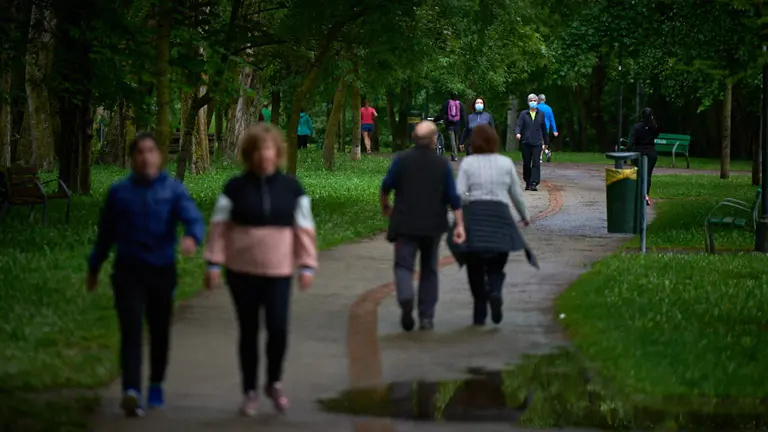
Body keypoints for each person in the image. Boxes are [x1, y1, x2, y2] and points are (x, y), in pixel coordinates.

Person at [87, 132, 205, 417]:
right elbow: (105, 235)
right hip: (128, 272)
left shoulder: (173, 190)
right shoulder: (119, 193)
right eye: (140, 152)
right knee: (131, 331)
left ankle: (155, 384)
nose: (146, 156)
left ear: (159, 156)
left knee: (160, 331)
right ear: (132, 158)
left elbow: (193, 218)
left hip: (161, 272)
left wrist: (192, 237)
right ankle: (131, 390)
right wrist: (94, 266)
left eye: (151, 150)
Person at [203, 123, 317, 417]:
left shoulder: (292, 188)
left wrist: (307, 265)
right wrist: (213, 261)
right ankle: (250, 391)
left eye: (268, 149)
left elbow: (304, 229)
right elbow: (219, 228)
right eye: (257, 150)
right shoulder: (234, 188)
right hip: (241, 272)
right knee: (249, 331)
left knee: (278, 329)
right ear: (249, 154)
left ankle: (273, 382)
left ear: (276, 153)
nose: (263, 156)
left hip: (278, 271)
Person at [380, 121, 465, 331]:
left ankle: (406, 297)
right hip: (432, 225)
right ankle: (426, 316)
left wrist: (386, 207)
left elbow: (386, 186)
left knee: (403, 265)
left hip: (404, 224)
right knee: (429, 269)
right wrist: (460, 224)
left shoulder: (401, 160)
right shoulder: (441, 164)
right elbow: (453, 197)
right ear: (434, 139)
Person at [456, 124, 532, 326]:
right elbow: (515, 193)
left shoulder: (468, 164)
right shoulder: (505, 163)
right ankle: (495, 291)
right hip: (500, 217)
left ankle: (479, 313)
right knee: (497, 263)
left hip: (475, 217)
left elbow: (458, 194)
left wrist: (466, 205)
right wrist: (525, 216)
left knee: (474, 267)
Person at [515, 93, 550, 191]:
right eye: (531, 101)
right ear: (528, 102)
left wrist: (546, 142)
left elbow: (544, 129)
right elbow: (518, 125)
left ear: (537, 102)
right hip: (526, 142)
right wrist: (517, 133)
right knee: (526, 163)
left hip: (537, 143)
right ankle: (528, 181)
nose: (533, 102)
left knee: (536, 163)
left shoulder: (541, 114)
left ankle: (534, 182)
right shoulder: (523, 114)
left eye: (534, 101)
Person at [630, 107, 660, 206]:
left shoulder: (637, 127)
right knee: (648, 175)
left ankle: (639, 194)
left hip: (639, 152)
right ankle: (646, 195)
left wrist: (628, 152)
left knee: (639, 174)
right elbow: (656, 135)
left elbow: (631, 142)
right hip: (651, 153)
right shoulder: (654, 127)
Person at [434, 92, 467, 161]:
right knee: (456, 139)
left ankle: (454, 155)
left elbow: (442, 113)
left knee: (452, 140)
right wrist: (464, 125)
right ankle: (454, 154)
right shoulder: (460, 104)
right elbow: (463, 116)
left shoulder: (447, 103)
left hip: (450, 124)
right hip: (458, 124)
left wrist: (436, 119)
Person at [537, 94, 558, 163]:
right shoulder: (549, 108)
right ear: (545, 100)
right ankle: (546, 152)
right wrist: (554, 130)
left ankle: (540, 157)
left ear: (538, 100)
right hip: (546, 128)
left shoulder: (536, 107)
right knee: (542, 142)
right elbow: (552, 119)